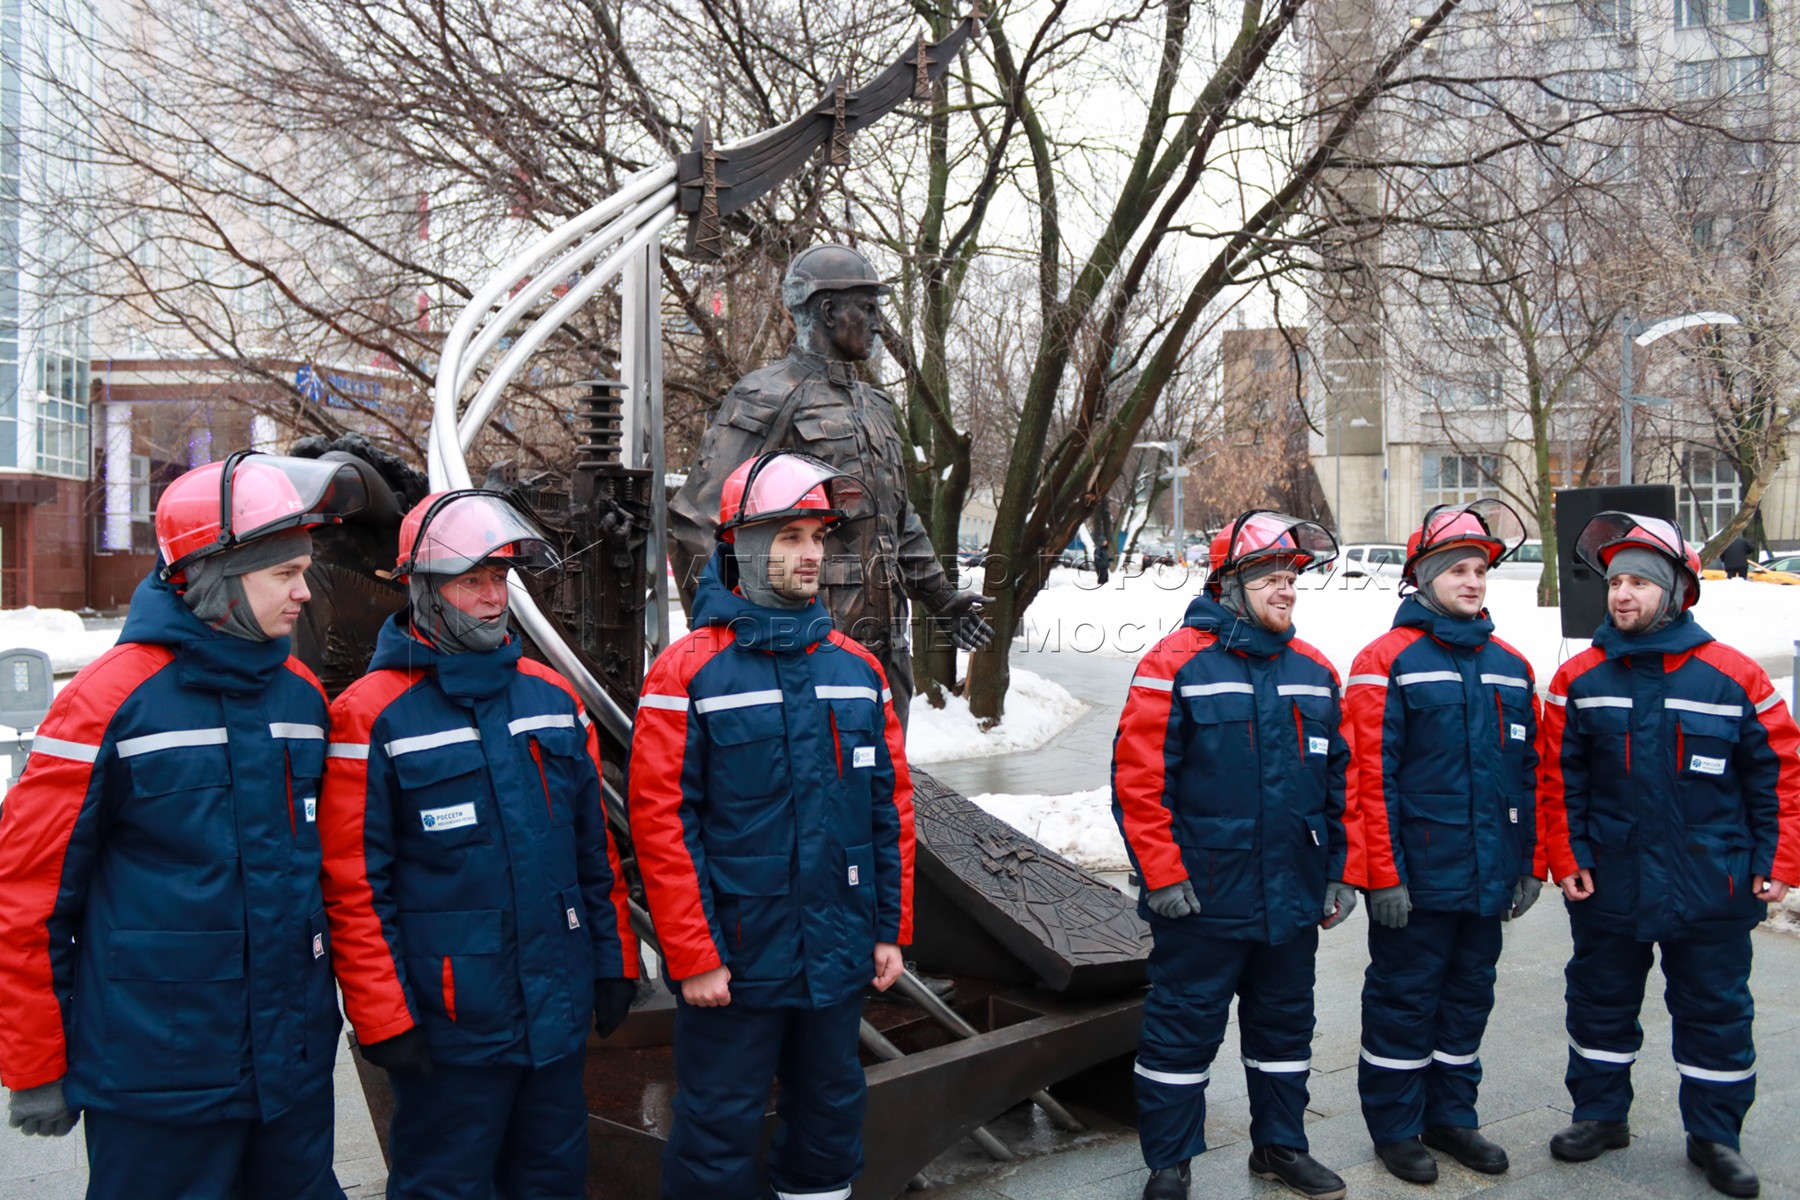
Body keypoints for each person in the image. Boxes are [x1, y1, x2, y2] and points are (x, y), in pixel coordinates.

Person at [0, 452, 368, 1199]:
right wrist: (34, 1063)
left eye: (304, 570)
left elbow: (331, 873)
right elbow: (29, 893)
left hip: (291, 1073)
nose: (305, 592)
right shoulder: (109, 699)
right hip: (157, 1081)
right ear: (217, 574)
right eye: (284, 575)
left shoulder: (298, 695)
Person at [318, 489, 639, 1199]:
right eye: (472, 581)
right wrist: (382, 1015)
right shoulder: (369, 715)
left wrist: (613, 960)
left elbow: (594, 851)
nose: (494, 599)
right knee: (447, 1185)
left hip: (552, 1015)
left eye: (500, 579)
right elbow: (354, 885)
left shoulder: (552, 699)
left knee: (553, 1177)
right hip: (448, 1028)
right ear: (424, 589)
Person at [631, 452, 915, 1200]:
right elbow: (662, 825)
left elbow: (889, 811)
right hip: (736, 965)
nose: (812, 553)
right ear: (740, 546)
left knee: (829, 1122)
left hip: (837, 954)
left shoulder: (856, 670)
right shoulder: (686, 672)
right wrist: (693, 957)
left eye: (817, 536)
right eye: (789, 536)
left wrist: (889, 929)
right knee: (716, 1131)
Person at [1540, 511, 1800, 1199]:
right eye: (1614, 581)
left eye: (1637, 583)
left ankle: (1716, 1137)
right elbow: (1556, 780)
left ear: (1676, 589)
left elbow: (1781, 775)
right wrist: (1565, 857)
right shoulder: (1580, 679)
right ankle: (1599, 1116)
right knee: (1598, 1003)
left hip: (1711, 880)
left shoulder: (1734, 677)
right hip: (1611, 882)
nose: (1621, 594)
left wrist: (1778, 862)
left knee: (1716, 1012)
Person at [1110, 510, 1356, 1200]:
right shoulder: (1172, 662)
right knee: (1182, 1033)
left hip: (1291, 897)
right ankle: (1169, 1161)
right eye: (1273, 578)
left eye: (1293, 579)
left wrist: (1341, 871)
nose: (1287, 590)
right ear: (1230, 584)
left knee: (1285, 1030)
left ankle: (1279, 1147)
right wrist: (1160, 875)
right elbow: (1137, 781)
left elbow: (1342, 782)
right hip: (1202, 899)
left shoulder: (1314, 671)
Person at [668, 243, 992, 725]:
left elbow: (899, 522)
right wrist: (735, 633)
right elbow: (696, 521)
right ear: (827, 310)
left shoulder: (879, 408)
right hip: (804, 652)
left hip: (885, 651)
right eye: (867, 308)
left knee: (883, 786)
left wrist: (943, 600)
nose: (879, 323)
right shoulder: (767, 394)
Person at [1342, 499, 1542, 1184]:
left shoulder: (1513, 666)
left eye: (1480, 569)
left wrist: (1529, 863)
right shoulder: (1384, 661)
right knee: (1404, 1001)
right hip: (1418, 882)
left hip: (1487, 878)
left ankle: (1452, 1117)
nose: (1473, 581)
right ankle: (1396, 1128)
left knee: (1467, 998)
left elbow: (1529, 775)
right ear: (1422, 578)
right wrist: (1381, 875)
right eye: (1457, 568)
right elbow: (1369, 777)